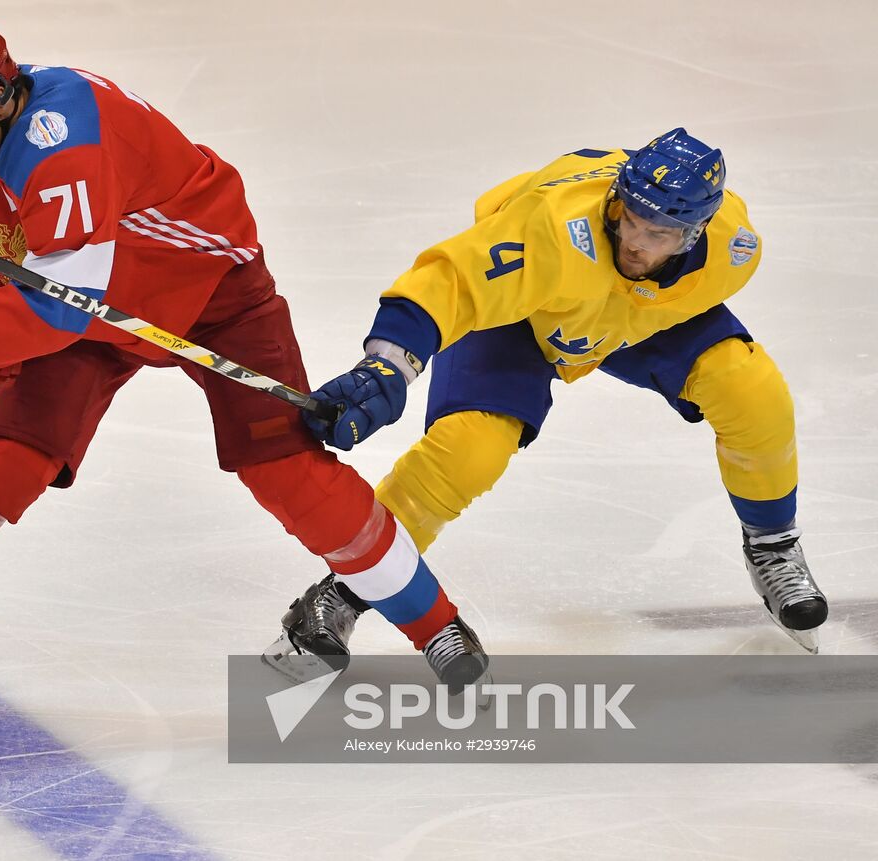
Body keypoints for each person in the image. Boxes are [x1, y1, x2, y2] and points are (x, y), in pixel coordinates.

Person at [0, 17, 488, 723]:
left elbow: (59, 305)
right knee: (9, 459)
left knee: (288, 470)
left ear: (1, 97)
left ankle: (438, 626)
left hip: (210, 289)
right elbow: (14, 255)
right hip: (93, 305)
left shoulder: (60, 142)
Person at [266, 129, 828, 667]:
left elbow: (662, 298)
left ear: (695, 234)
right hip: (527, 311)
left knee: (752, 390)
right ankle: (344, 590)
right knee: (468, 453)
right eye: (629, 217)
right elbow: (450, 282)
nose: (634, 240)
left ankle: (773, 545)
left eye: (658, 234)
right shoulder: (552, 232)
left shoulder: (734, 249)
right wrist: (387, 365)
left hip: (628, 316)